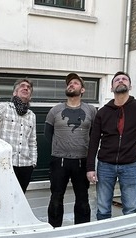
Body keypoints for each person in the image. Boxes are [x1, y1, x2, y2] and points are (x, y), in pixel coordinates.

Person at [86, 71, 136, 220]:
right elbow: (94, 140)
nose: (121, 81)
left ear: (130, 85)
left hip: (130, 165)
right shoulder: (103, 112)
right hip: (105, 166)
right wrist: (90, 167)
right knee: (103, 208)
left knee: (130, 209)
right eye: (117, 80)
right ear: (111, 88)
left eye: (124, 79)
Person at [45, 73, 97, 227]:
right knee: (56, 198)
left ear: (82, 90)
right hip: (59, 161)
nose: (71, 85)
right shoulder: (55, 111)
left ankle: (81, 232)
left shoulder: (91, 111)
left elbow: (95, 136)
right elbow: (48, 135)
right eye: (69, 83)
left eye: (75, 83)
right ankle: (54, 231)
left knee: (82, 199)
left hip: (82, 162)